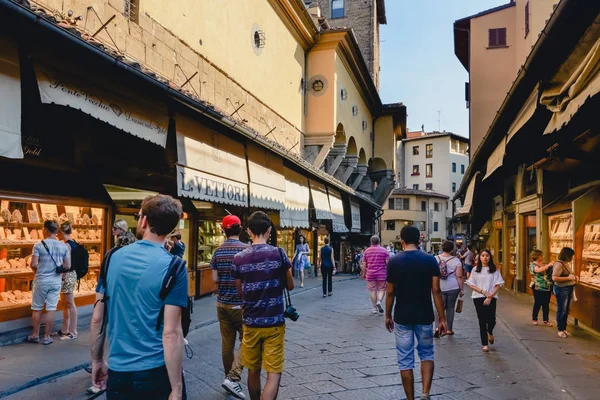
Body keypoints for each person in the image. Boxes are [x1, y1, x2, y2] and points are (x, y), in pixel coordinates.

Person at [89, 194, 188, 400]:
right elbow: (171, 333)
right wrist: (176, 388)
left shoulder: (111, 258)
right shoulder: (175, 267)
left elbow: (98, 317)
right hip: (155, 370)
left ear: (143, 221)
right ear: (171, 229)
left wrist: (97, 360)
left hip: (118, 371)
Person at [231, 211, 294, 400]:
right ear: (269, 230)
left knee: (253, 369)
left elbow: (240, 291)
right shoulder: (278, 253)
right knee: (274, 372)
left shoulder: (239, 258)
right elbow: (290, 285)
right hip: (274, 321)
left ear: (248, 231)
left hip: (250, 322)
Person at [385, 226, 448, 400]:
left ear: (402, 241)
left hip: (402, 316)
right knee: (427, 353)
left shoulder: (394, 261)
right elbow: (436, 291)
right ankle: (425, 393)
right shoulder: (430, 260)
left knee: (405, 360)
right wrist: (442, 318)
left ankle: (410, 398)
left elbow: (390, 292)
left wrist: (388, 315)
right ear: (419, 240)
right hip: (425, 315)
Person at [86, 228, 136, 395]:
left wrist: (97, 360)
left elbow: (97, 319)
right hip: (147, 359)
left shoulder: (108, 263)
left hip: (117, 359)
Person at [211, 215, 249, 399]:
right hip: (240, 305)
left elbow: (215, 279)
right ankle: (233, 378)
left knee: (227, 343)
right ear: (240, 229)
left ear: (224, 230)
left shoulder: (217, 252)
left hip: (222, 303)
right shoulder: (246, 250)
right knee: (247, 339)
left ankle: (229, 376)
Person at [27, 220, 71, 345]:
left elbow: (34, 263)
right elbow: (68, 265)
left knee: (37, 309)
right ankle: (47, 337)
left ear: (45, 229)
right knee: (51, 309)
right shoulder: (63, 246)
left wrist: (37, 272)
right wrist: (59, 274)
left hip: (41, 280)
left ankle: (35, 335)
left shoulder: (38, 245)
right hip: (55, 281)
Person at [465, 249, 505, 352]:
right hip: (478, 297)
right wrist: (483, 292)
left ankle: (490, 332)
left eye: (487, 255)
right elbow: (471, 284)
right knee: (482, 320)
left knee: (492, 320)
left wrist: (490, 296)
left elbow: (498, 284)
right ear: (479, 258)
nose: (485, 257)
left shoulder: (494, 269)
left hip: (492, 297)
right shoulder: (475, 270)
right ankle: (484, 343)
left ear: (490, 257)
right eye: (483, 255)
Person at [434, 240, 464, 337]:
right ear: (452, 250)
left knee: (439, 307)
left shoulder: (435, 259)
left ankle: (438, 327)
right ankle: (449, 329)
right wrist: (461, 289)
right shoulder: (456, 260)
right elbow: (459, 276)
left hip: (438, 286)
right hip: (453, 286)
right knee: (450, 308)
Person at [56, 222, 78, 340]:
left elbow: (66, 264)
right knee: (66, 303)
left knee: (69, 303)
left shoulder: (67, 246)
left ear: (62, 232)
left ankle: (73, 331)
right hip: (70, 274)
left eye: (58, 232)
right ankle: (65, 329)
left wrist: (62, 277)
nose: (57, 234)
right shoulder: (72, 243)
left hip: (67, 275)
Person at [552, 247, 578, 338]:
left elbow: (569, 275)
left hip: (569, 288)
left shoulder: (566, 264)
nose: (572, 258)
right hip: (562, 289)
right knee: (562, 310)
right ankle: (560, 329)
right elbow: (554, 278)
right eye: (572, 256)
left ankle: (564, 328)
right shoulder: (559, 264)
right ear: (567, 256)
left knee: (566, 310)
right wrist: (568, 278)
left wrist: (574, 277)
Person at [361, 235, 389, 314]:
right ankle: (379, 301)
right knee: (382, 289)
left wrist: (363, 273)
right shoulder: (384, 251)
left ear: (371, 242)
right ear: (379, 241)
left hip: (370, 273)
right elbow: (388, 263)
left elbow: (364, 264)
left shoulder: (367, 251)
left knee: (373, 290)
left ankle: (374, 308)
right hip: (382, 274)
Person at [529, 249, 553, 327]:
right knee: (538, 303)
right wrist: (548, 265)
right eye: (541, 255)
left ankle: (546, 320)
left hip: (547, 286)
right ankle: (534, 318)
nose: (542, 257)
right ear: (537, 256)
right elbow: (538, 270)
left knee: (546, 304)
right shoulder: (533, 265)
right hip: (538, 287)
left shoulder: (544, 264)